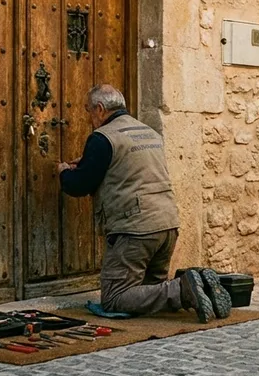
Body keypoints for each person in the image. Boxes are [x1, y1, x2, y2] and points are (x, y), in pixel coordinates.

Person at [58, 84, 231, 323]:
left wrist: (64, 173)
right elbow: (126, 167)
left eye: (89, 111)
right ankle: (201, 287)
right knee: (149, 292)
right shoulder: (149, 132)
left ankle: (183, 290)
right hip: (167, 224)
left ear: (99, 109)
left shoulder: (102, 138)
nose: (89, 118)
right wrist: (90, 162)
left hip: (135, 229)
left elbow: (80, 185)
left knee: (115, 298)